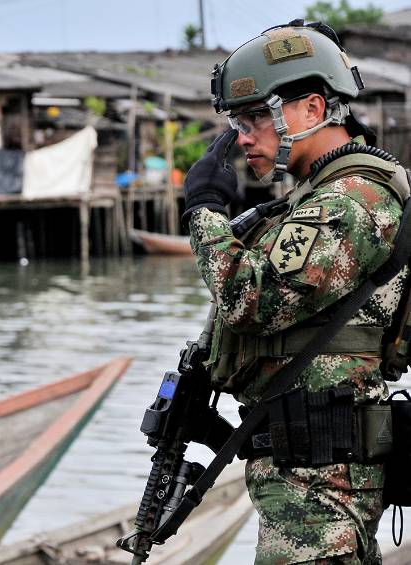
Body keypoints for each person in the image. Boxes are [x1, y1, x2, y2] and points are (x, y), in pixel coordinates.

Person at [182, 20, 410, 564]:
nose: (244, 136)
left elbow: (252, 300)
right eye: (237, 122)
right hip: (304, 482)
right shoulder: (311, 197)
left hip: (322, 495)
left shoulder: (351, 198)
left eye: (257, 117)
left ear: (312, 109)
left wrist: (205, 210)